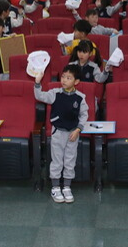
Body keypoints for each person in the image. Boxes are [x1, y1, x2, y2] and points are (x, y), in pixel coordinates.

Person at [33, 65, 88, 203]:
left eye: (69, 78)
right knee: (57, 160)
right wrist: (37, 83)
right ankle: (56, 187)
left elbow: (83, 115)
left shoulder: (80, 97)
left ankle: (67, 187)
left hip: (73, 134)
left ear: (76, 81)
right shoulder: (55, 93)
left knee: (70, 160)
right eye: (63, 76)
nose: (64, 80)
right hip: (58, 132)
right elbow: (39, 95)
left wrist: (78, 130)